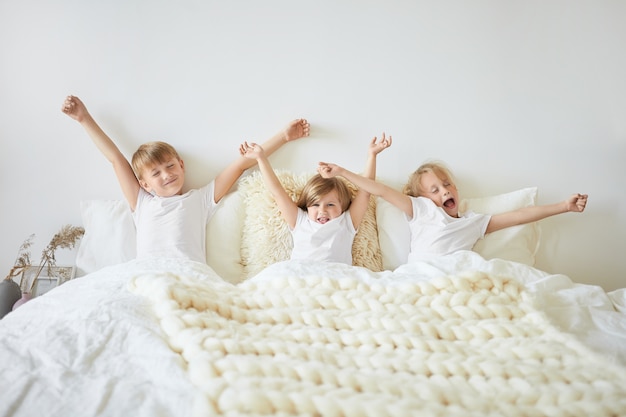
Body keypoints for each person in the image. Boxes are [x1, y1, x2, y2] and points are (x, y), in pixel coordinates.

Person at [61, 95, 309, 263]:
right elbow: (116, 159)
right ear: (145, 184)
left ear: (181, 165)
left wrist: (284, 137)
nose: (167, 175)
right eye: (156, 173)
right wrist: (83, 118)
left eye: (170, 166)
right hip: (149, 274)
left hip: (187, 275)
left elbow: (242, 164)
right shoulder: (143, 202)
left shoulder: (200, 199)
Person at [318, 159, 588, 263]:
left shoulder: (474, 222)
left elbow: (518, 216)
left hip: (458, 275)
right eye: (434, 189)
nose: (444, 191)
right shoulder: (420, 209)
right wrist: (341, 172)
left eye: (447, 185)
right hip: (422, 276)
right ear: (422, 197)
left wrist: (564, 206)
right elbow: (379, 190)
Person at [239, 133, 392, 264]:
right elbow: (277, 192)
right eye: (315, 204)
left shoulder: (347, 222)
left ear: (343, 206)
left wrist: (372, 155)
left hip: (335, 276)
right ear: (307, 206)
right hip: (302, 275)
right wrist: (261, 158)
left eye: (330, 204)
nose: (322, 210)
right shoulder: (300, 220)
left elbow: (365, 192)